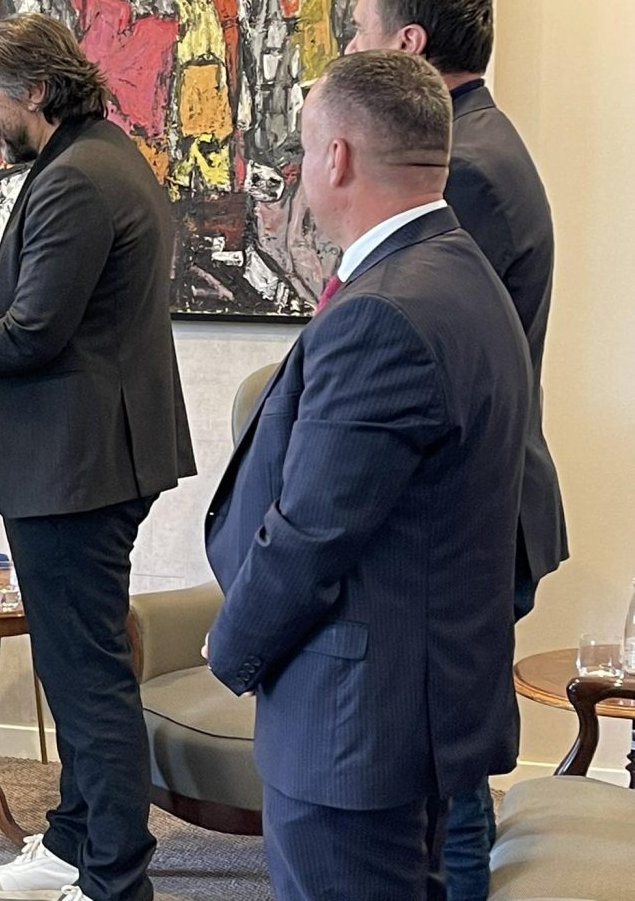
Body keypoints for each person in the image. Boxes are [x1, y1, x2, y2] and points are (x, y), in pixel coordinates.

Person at [203, 50, 531, 900]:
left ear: (336, 156)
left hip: (354, 719)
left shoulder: (383, 312)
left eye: (302, 147)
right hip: (409, 701)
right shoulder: (460, 273)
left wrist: (229, 643)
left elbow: (312, 533)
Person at [0, 13, 195, 901]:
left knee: (86, 678)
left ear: (35, 90)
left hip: (77, 468)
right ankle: (70, 842)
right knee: (73, 667)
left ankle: (112, 877)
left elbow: (35, 335)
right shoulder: (98, 156)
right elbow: (55, 307)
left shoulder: (76, 179)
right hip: (85, 457)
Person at [346, 0, 568, 898]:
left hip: (461, 515)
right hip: (480, 505)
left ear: (406, 43)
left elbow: (414, 355)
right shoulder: (480, 138)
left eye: (357, 33)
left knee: (445, 782)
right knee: (446, 769)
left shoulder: (458, 170)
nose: (345, 51)